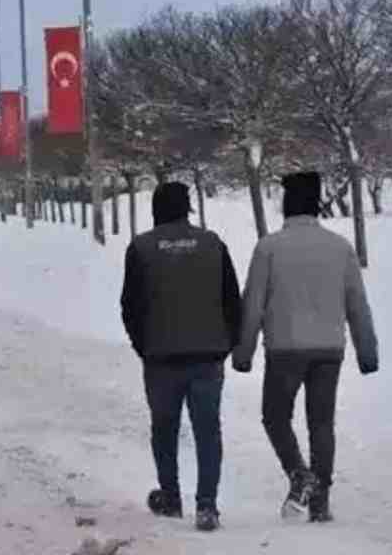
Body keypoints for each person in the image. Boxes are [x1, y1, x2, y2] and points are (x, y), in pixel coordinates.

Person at [232, 172, 379, 524]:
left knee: (275, 416)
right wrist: (367, 351)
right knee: (322, 423)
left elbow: (252, 305)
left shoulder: (268, 248)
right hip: (330, 349)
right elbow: (357, 304)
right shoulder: (340, 247)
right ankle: (320, 502)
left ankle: (299, 474)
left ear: (287, 205)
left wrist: (243, 351)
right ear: (316, 205)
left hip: (285, 349)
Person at [119, 182, 242, 533]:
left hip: (160, 358)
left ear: (156, 210)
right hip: (207, 356)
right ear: (187, 209)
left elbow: (130, 306)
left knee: (164, 428)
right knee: (208, 431)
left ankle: (171, 497)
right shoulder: (213, 243)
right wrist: (225, 344)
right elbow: (232, 301)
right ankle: (207, 505)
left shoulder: (141, 247)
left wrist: (144, 345)